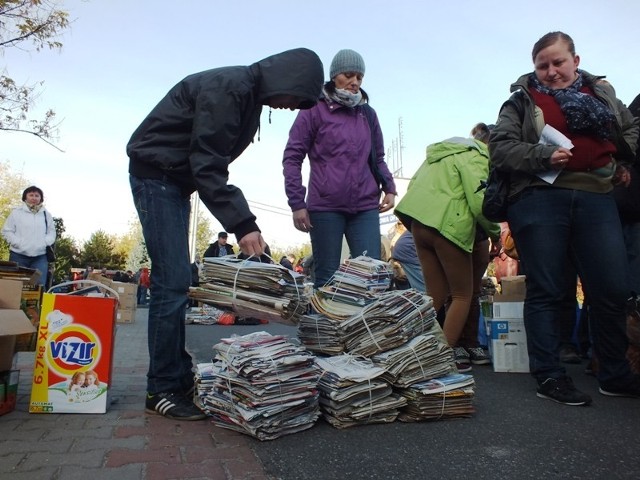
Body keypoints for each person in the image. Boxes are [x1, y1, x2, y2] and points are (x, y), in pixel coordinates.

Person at [127, 47, 324, 420]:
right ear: (287, 79)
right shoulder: (231, 89)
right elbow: (207, 163)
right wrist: (243, 223)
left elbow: (205, 163)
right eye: (296, 98)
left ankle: (177, 374)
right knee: (171, 282)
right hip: (158, 175)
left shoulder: (246, 94)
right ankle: (162, 388)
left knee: (178, 280)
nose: (291, 107)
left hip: (172, 179)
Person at [489, 31, 639, 405]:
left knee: (612, 288)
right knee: (549, 288)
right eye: (542, 65)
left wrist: (622, 160)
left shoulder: (603, 95)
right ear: (534, 69)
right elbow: (501, 148)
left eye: (558, 62)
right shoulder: (521, 101)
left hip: (598, 197)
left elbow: (629, 129)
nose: (551, 71)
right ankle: (549, 375)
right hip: (539, 197)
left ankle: (615, 374)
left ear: (576, 60)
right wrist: (542, 157)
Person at [283, 49, 397, 288]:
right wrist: (297, 203)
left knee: (370, 277)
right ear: (334, 76)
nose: (355, 82)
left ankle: (363, 327)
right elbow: (293, 157)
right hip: (325, 207)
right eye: (348, 75)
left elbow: (378, 157)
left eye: (359, 77)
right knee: (326, 278)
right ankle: (324, 326)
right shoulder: (314, 109)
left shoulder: (367, 114)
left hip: (365, 205)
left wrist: (389, 186)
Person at [395, 132, 499, 370]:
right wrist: (495, 232)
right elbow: (478, 200)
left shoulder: (437, 155)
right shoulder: (475, 156)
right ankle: (438, 363)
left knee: (434, 297)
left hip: (419, 225)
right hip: (448, 226)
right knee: (462, 295)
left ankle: (409, 352)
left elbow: (412, 186)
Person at [1, 186, 56, 287]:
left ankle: (38, 303)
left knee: (39, 285)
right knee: (16, 286)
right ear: (25, 197)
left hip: (40, 257)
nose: (34, 198)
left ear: (41, 198)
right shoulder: (16, 212)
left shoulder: (46, 214)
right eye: (31, 195)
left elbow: (52, 232)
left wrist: (44, 243)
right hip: (18, 255)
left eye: (37, 195)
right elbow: (7, 231)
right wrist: (18, 243)